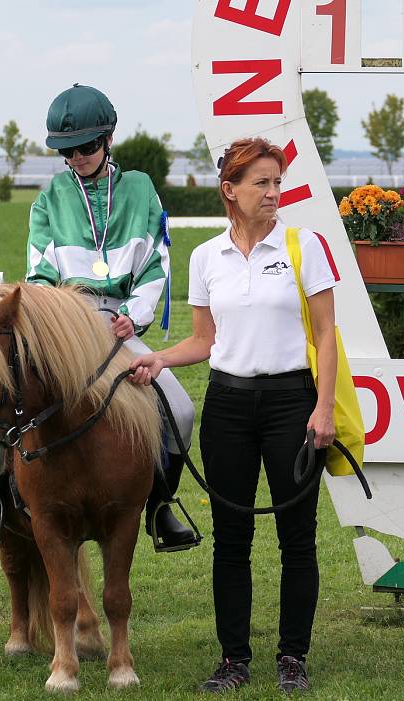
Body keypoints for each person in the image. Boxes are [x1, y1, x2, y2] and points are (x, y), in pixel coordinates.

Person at [128, 137, 338, 694]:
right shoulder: (205, 257)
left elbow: (326, 334)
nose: (273, 192)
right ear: (230, 191)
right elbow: (204, 340)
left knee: (299, 539)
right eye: (261, 183)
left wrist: (321, 408)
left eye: (276, 182)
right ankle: (233, 660)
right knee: (231, 538)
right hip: (228, 406)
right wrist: (157, 358)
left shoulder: (305, 246)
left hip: (293, 404)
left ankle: (293, 656)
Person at [0, 84, 199, 553]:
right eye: (67, 151)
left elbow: (155, 262)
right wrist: (57, 322)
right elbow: (39, 271)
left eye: (88, 146)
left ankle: (161, 505)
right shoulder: (49, 198)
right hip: (62, 325)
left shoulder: (139, 189)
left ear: (108, 140)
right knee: (12, 395)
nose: (79, 157)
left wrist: (135, 314)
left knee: (180, 407)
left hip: (118, 322)